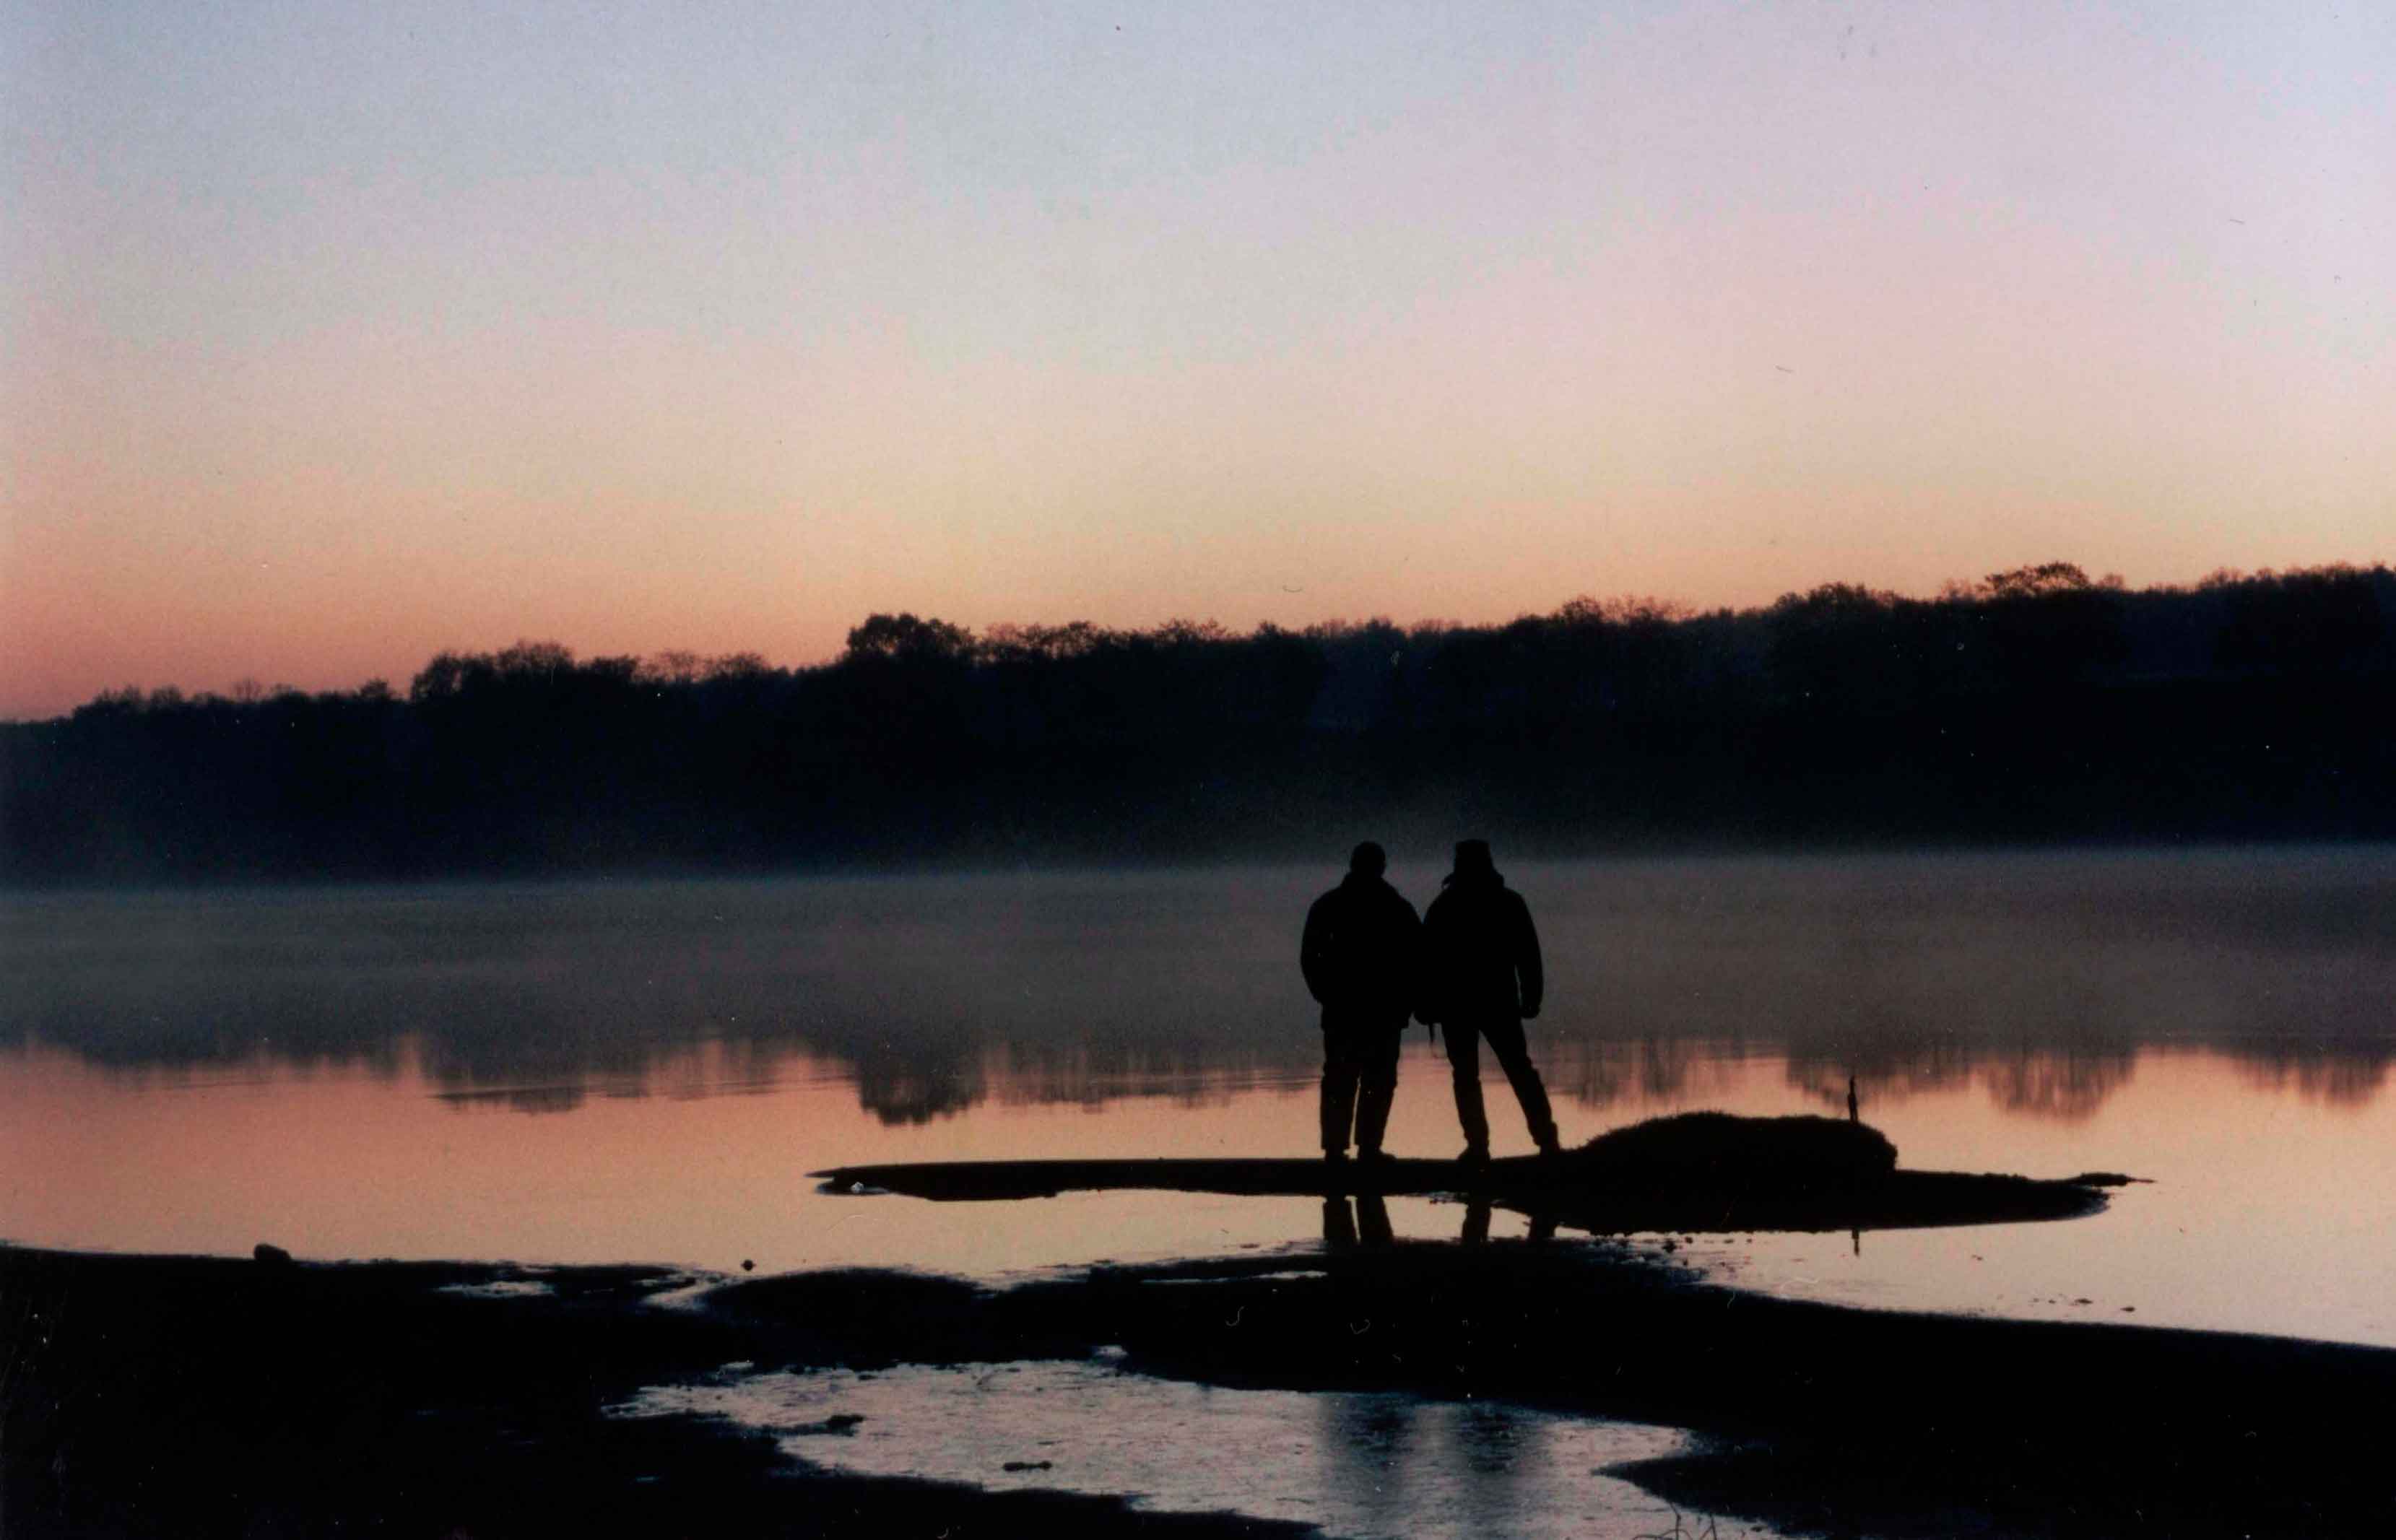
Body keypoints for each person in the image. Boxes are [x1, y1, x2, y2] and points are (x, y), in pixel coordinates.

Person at [1418, 838, 1560, 1164]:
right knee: (1519, 1070)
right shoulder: (1509, 902)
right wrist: (1531, 996)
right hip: (1498, 1000)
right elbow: (1528, 955)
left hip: (1457, 1004)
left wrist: (1425, 1004)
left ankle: (1479, 1147)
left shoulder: (1443, 907)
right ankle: (1546, 1141)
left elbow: (1426, 961)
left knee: (1468, 1076)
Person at [1300, 841, 1420, 1164]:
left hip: (1348, 1010)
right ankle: (1368, 1149)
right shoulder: (1397, 907)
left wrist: (1326, 995)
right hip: (1381, 1012)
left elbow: (1310, 959)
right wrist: (1407, 1003)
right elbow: (1417, 961)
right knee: (1376, 1080)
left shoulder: (1329, 905)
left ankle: (1337, 1150)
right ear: (1382, 867)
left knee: (1343, 1078)